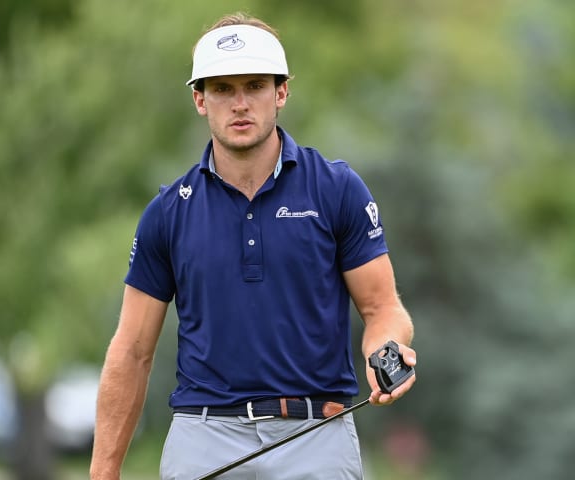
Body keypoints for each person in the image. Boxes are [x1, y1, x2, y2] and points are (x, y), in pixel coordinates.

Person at [89, 12, 417, 480]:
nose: (239, 103)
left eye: (255, 85)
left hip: (316, 436)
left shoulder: (336, 189)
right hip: (204, 438)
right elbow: (132, 350)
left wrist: (385, 349)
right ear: (200, 99)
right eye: (223, 88)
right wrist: (104, 472)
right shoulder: (168, 213)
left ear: (280, 92)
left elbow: (383, 307)